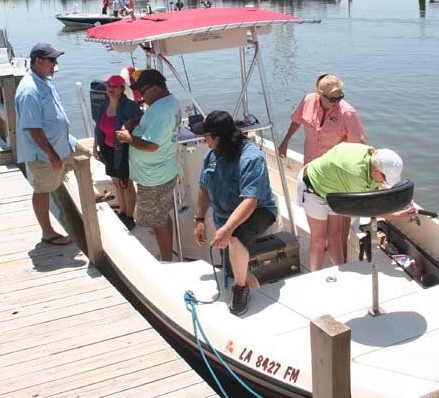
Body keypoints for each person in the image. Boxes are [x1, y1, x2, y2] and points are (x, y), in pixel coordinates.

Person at [192, 111, 277, 316]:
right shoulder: (211, 155)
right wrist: (200, 219)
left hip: (259, 210)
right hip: (225, 214)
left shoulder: (251, 158)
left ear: (217, 138)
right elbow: (204, 187)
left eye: (206, 137)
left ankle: (240, 290)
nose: (204, 141)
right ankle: (251, 282)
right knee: (231, 268)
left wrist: (227, 230)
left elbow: (250, 201)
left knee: (235, 238)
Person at [278, 73, 365, 263]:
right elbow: (297, 120)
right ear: (320, 94)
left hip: (337, 175)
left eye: (340, 97)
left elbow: (359, 144)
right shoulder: (308, 100)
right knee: (318, 222)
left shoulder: (347, 113)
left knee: (340, 219)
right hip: (312, 170)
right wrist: (285, 141)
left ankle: (341, 251)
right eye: (333, 98)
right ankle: (323, 244)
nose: (337, 101)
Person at [295, 142, 419, 271]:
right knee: (319, 239)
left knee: (335, 236)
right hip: (313, 188)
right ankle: (315, 277)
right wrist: (398, 215)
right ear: (375, 170)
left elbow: (380, 188)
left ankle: (339, 273)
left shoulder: (372, 155)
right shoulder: (355, 176)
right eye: (385, 178)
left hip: (335, 189)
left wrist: (404, 201)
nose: (385, 182)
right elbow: (366, 210)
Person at [14, 42, 91, 247]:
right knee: (42, 190)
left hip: (64, 143)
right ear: (38, 61)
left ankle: (90, 195)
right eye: (51, 60)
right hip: (45, 153)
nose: (55, 64)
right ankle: (47, 232)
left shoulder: (45, 79)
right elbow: (33, 128)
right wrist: (52, 155)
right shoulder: (29, 90)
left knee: (87, 155)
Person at [115, 69, 181, 261]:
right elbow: (158, 128)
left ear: (154, 88)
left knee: (158, 220)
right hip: (161, 171)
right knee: (161, 216)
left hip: (154, 177)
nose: (140, 96)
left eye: (142, 92)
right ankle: (166, 254)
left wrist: (128, 138)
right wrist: (138, 121)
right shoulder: (169, 102)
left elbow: (151, 145)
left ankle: (166, 260)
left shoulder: (161, 111)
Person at [93, 75, 142, 230]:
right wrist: (95, 147)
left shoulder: (129, 106)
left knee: (125, 183)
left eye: (115, 86)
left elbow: (141, 121)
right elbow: (98, 128)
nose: (110, 89)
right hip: (107, 149)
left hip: (123, 150)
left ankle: (129, 216)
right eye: (108, 85)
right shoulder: (104, 104)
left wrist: (130, 126)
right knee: (116, 182)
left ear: (122, 88)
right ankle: (122, 211)